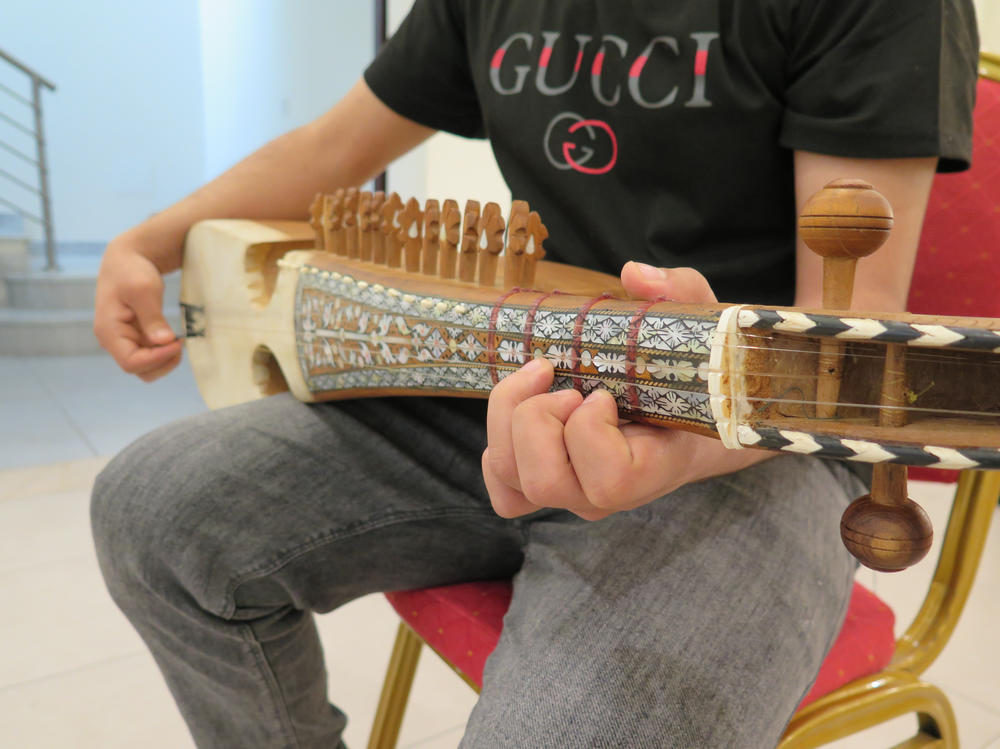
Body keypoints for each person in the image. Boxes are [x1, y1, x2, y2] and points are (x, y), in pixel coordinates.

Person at [90, 1, 979, 747]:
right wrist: (146, 243)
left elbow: (850, 330)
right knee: (152, 509)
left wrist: (684, 449)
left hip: (748, 438)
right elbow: (330, 149)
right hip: (499, 380)